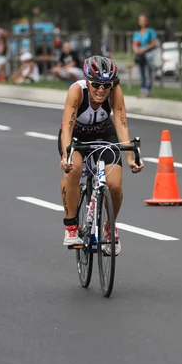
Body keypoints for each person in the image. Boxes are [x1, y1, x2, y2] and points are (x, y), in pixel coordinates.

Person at [58, 56, 144, 255]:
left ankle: (109, 226)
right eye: (96, 84)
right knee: (75, 169)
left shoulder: (115, 92)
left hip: (104, 134)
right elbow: (67, 128)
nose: (101, 90)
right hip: (76, 137)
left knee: (114, 185)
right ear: (87, 80)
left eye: (106, 85)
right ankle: (71, 226)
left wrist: (131, 158)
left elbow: (122, 126)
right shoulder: (77, 91)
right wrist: (66, 156)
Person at [132, 14, 157, 98]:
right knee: (141, 73)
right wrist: (136, 50)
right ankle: (142, 90)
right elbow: (134, 44)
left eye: (144, 20)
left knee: (148, 73)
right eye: (140, 20)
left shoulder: (151, 31)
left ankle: (148, 90)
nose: (142, 22)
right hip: (140, 56)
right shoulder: (137, 33)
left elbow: (153, 43)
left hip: (148, 55)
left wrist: (145, 49)